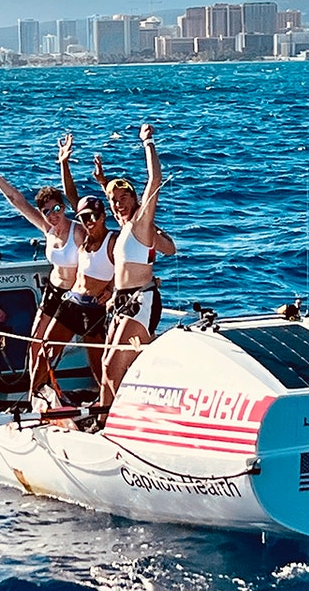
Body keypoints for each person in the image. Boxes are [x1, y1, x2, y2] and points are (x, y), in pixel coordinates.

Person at [0, 136, 82, 395]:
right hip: (53, 292)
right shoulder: (47, 230)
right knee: (35, 345)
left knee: (53, 348)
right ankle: (35, 395)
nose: (53, 214)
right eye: (47, 211)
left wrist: (64, 163)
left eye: (57, 208)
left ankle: (54, 390)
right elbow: (17, 201)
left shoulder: (79, 232)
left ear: (63, 207)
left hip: (77, 296)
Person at [97, 123, 176, 408]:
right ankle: (103, 420)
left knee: (113, 367)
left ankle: (126, 420)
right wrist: (103, 181)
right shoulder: (123, 232)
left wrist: (148, 142)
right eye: (114, 201)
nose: (119, 204)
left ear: (135, 199)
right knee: (106, 365)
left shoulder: (141, 224)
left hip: (141, 300)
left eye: (124, 198)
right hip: (121, 303)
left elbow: (155, 179)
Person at [41, 194, 116, 399]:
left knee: (99, 365)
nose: (89, 221)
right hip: (72, 302)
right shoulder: (84, 238)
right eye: (84, 217)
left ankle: (105, 410)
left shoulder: (113, 241)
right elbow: (73, 198)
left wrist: (111, 291)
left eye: (94, 216)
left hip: (94, 308)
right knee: (45, 350)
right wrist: (64, 166)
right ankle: (37, 397)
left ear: (103, 216)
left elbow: (128, 270)